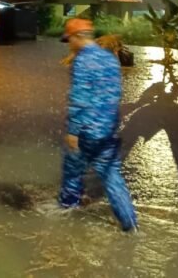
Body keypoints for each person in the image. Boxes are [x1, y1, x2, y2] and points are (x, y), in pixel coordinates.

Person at [58, 18, 138, 232]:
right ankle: (130, 226)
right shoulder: (111, 58)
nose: (69, 44)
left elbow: (79, 97)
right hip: (108, 130)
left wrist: (73, 131)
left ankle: (66, 215)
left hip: (86, 131)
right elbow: (116, 94)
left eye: (69, 40)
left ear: (76, 38)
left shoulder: (82, 61)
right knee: (112, 177)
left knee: (72, 172)